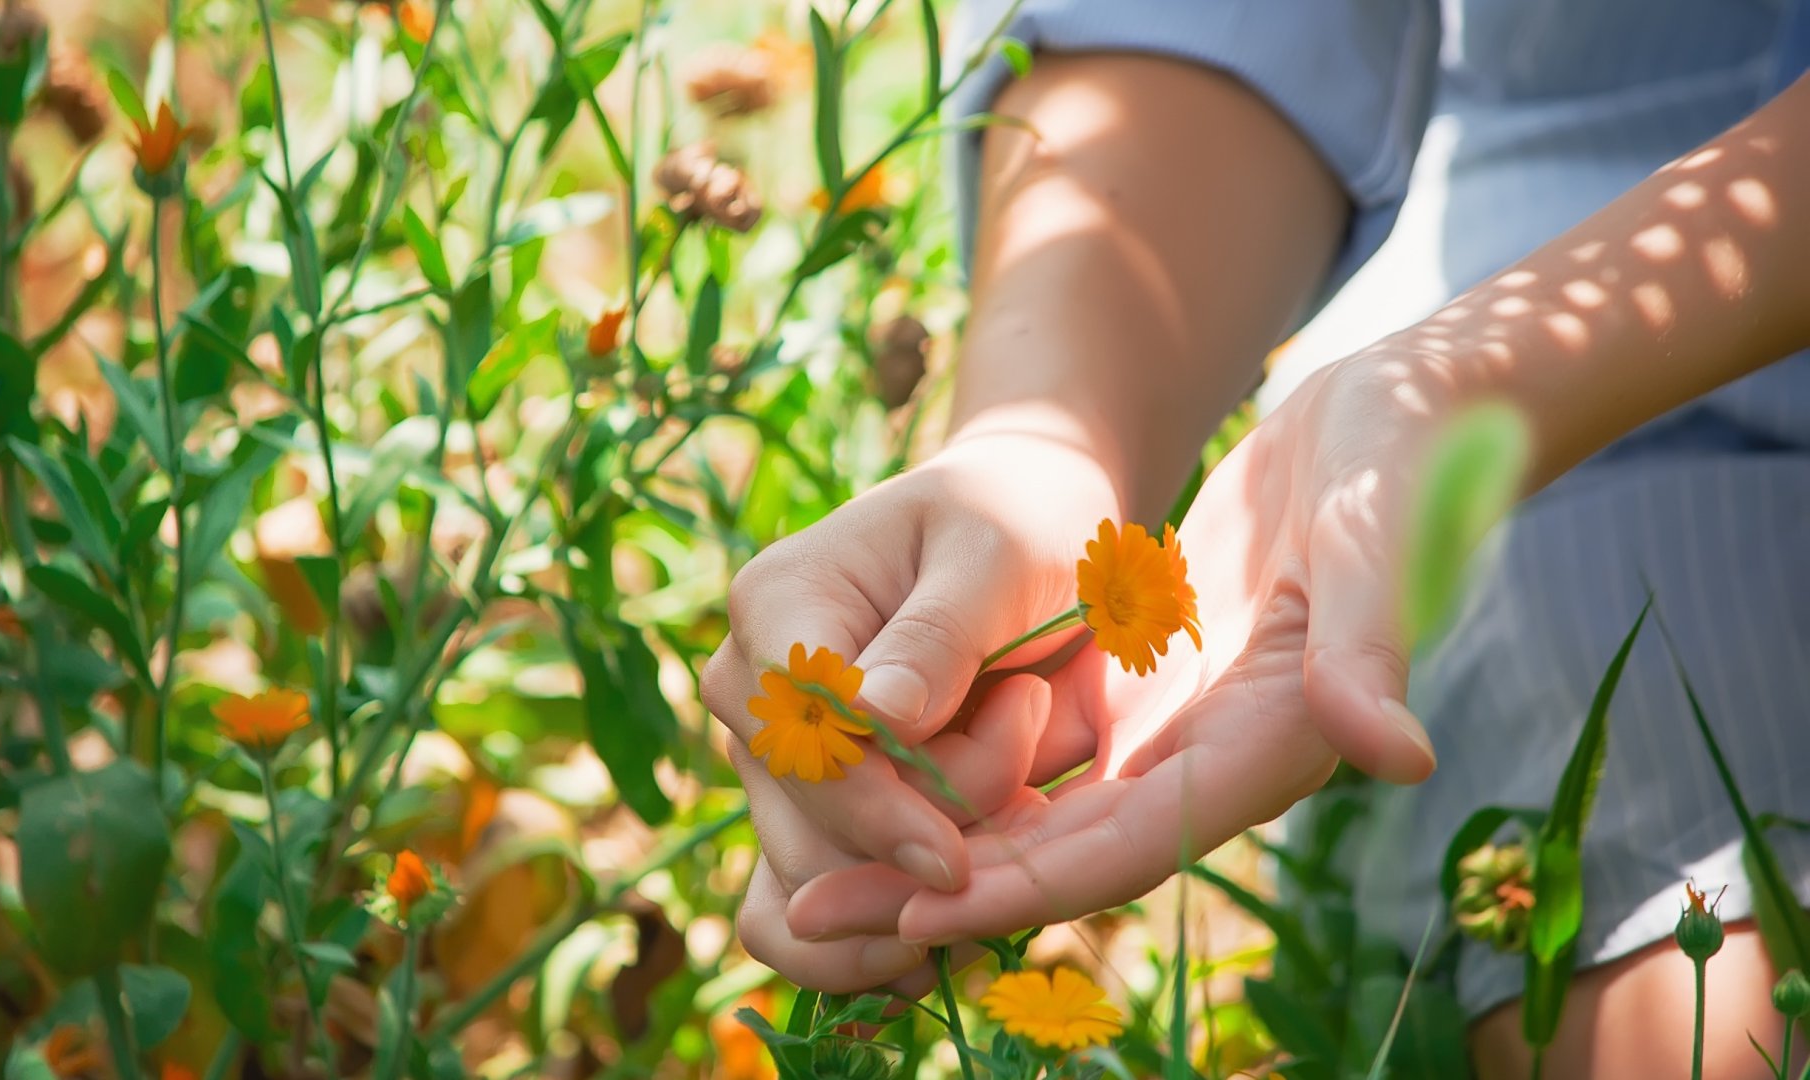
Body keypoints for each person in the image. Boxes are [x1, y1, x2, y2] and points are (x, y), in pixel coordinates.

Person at [700, 2, 1810, 1074]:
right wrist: (1047, 439)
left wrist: (1483, 372)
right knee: (1720, 1036)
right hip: (1591, 408)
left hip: (1532, 358)